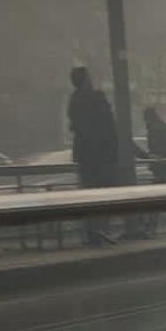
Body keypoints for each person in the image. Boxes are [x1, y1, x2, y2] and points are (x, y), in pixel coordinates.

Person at [67, 67, 118, 246]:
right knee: (104, 193)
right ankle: (101, 230)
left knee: (88, 195)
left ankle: (91, 233)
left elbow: (75, 125)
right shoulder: (96, 97)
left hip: (83, 153)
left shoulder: (73, 101)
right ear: (85, 80)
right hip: (101, 154)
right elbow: (109, 126)